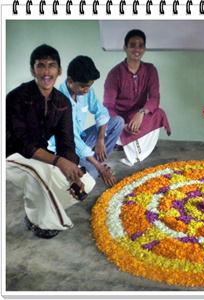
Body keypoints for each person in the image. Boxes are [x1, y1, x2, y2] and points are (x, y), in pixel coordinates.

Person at [6, 44, 95, 239]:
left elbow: (66, 143)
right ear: (33, 70)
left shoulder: (62, 102)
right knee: (42, 172)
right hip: (10, 156)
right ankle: (46, 222)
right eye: (41, 65)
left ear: (59, 70)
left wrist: (71, 168)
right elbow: (21, 143)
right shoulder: (16, 98)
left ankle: (35, 213)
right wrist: (57, 161)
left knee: (86, 182)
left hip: (39, 156)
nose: (46, 71)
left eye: (51, 65)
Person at [48, 56, 124, 186]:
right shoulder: (58, 102)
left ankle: (94, 162)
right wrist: (100, 168)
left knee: (118, 122)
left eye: (90, 86)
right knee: (91, 177)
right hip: (66, 149)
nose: (87, 90)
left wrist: (100, 139)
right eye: (84, 87)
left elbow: (101, 111)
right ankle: (94, 165)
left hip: (81, 139)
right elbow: (72, 139)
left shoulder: (87, 91)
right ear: (70, 81)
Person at [104, 29, 171, 166]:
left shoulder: (150, 69)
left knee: (159, 113)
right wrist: (122, 124)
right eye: (132, 45)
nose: (137, 49)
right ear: (125, 48)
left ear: (144, 49)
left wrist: (141, 113)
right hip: (121, 118)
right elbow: (108, 105)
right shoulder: (115, 73)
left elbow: (154, 98)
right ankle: (125, 141)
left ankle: (138, 147)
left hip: (139, 116)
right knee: (116, 122)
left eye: (141, 45)